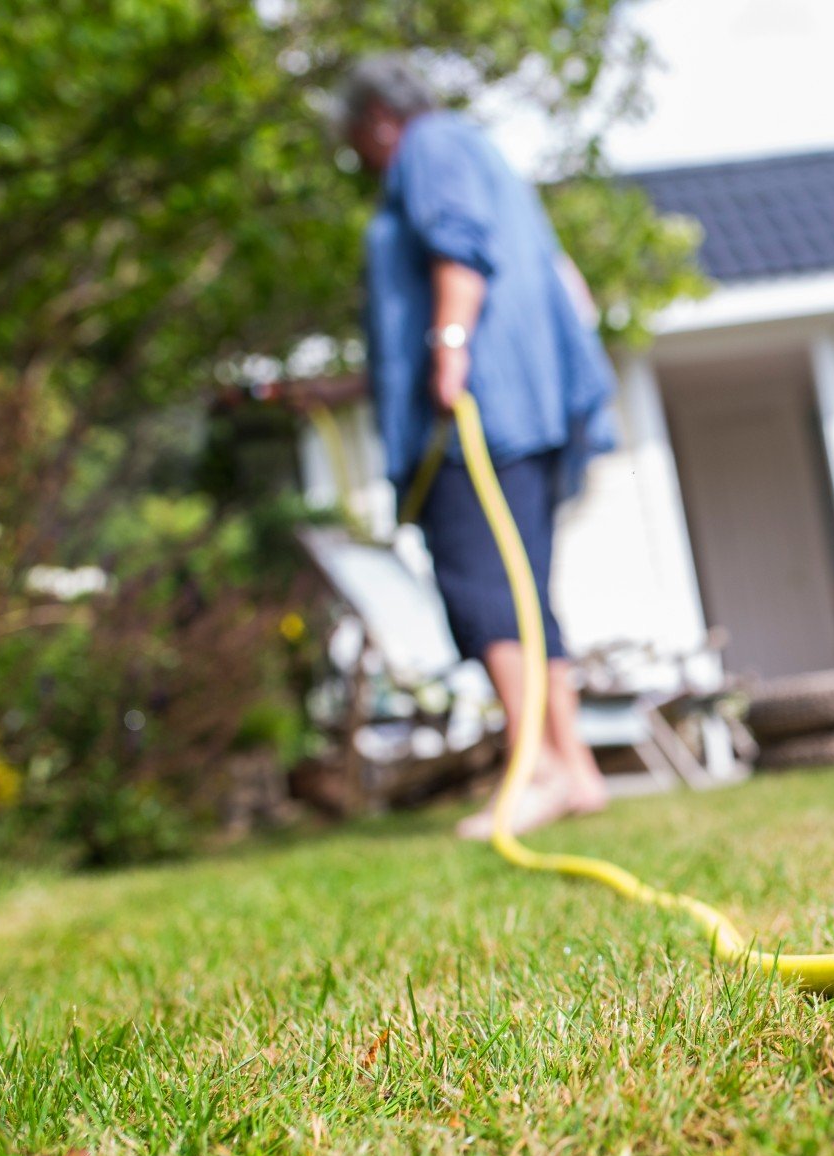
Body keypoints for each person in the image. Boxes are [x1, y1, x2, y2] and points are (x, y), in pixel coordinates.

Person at [338, 54, 618, 835]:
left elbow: (458, 247)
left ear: (378, 121)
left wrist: (450, 347)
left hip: (475, 416)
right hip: (518, 405)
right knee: (522, 588)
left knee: (481, 588)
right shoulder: (483, 151)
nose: (362, 159)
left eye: (359, 143)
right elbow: (566, 281)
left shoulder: (428, 147)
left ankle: (540, 766)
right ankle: (575, 768)